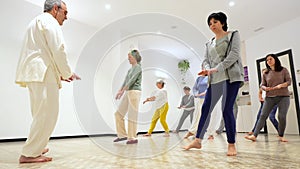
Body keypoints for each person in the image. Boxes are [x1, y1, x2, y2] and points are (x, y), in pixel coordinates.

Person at [15, 0, 80, 163]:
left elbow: (44, 51)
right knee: (48, 115)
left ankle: (37, 146)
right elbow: (58, 49)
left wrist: (60, 73)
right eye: (65, 12)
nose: (66, 17)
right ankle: (30, 154)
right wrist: (66, 72)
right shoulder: (49, 21)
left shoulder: (36, 21)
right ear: (55, 9)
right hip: (42, 73)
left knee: (40, 113)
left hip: (36, 73)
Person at [183, 12, 244, 156]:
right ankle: (198, 141)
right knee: (205, 109)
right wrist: (205, 69)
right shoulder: (209, 43)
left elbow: (234, 54)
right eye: (210, 24)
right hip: (214, 80)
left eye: (215, 22)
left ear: (222, 22)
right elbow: (205, 59)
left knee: (226, 109)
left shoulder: (233, 35)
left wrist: (216, 68)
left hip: (230, 78)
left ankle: (231, 144)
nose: (212, 25)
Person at [245, 54, 291, 142]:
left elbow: (289, 81)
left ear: (275, 59)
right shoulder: (266, 73)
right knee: (262, 116)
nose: (268, 61)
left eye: (270, 59)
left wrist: (282, 85)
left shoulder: (283, 70)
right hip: (270, 97)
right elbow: (262, 85)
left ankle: (281, 135)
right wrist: (265, 88)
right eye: (267, 60)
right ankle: (254, 135)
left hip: (283, 96)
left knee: (281, 116)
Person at [113, 49, 142, 144]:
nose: (128, 59)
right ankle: (122, 135)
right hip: (128, 91)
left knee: (132, 115)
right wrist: (120, 91)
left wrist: (122, 91)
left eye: (130, 57)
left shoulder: (138, 67)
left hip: (135, 92)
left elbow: (132, 81)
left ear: (134, 58)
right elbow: (126, 81)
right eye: (128, 57)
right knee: (118, 114)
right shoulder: (130, 69)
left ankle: (132, 137)